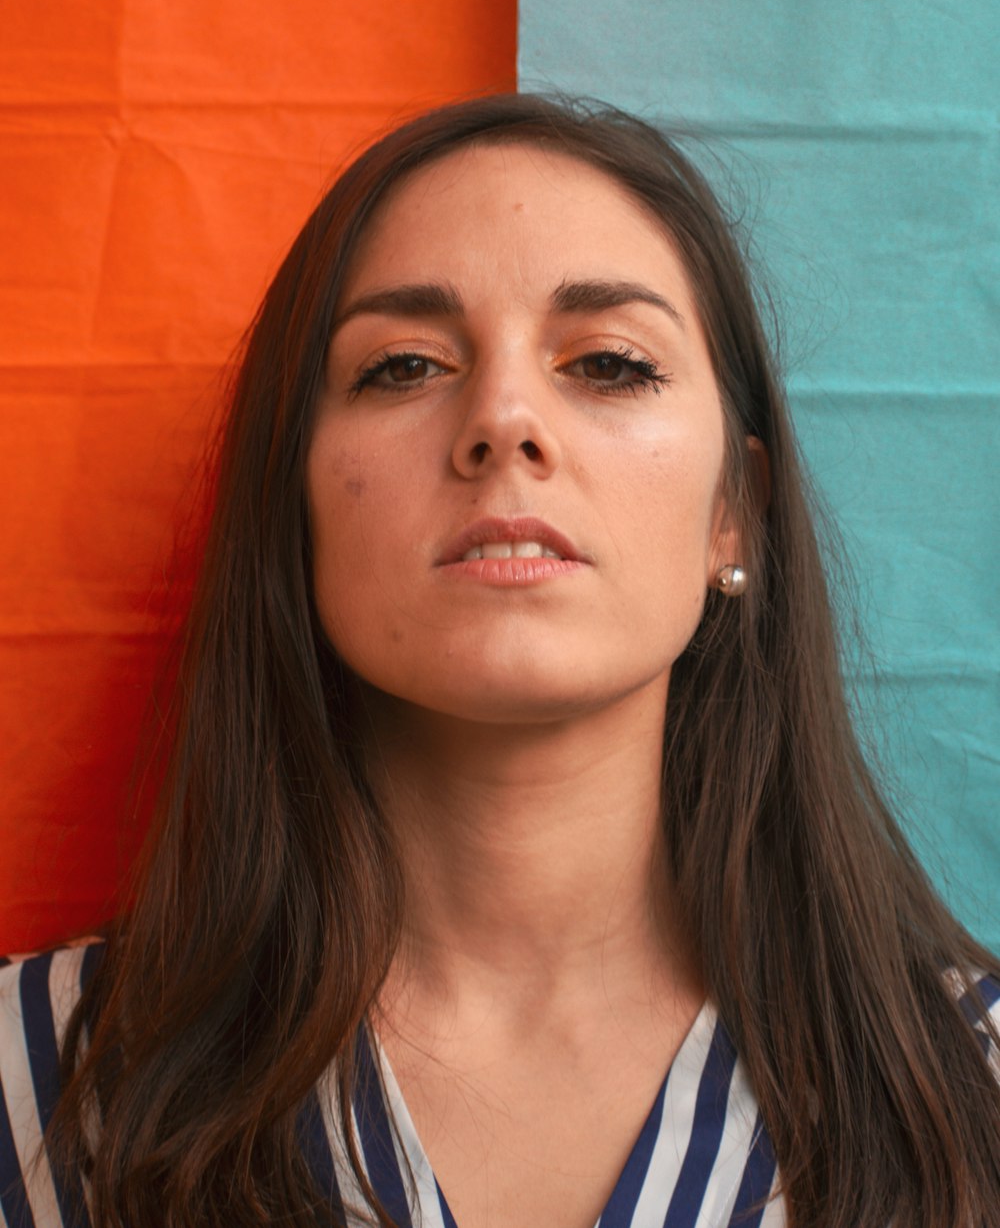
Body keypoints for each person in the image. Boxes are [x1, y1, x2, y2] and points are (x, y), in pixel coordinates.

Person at [1, 93, 998, 1228]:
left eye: (611, 363)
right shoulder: (26, 1085)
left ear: (736, 516)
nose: (504, 418)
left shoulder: (976, 1087)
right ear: (293, 506)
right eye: (403, 365)